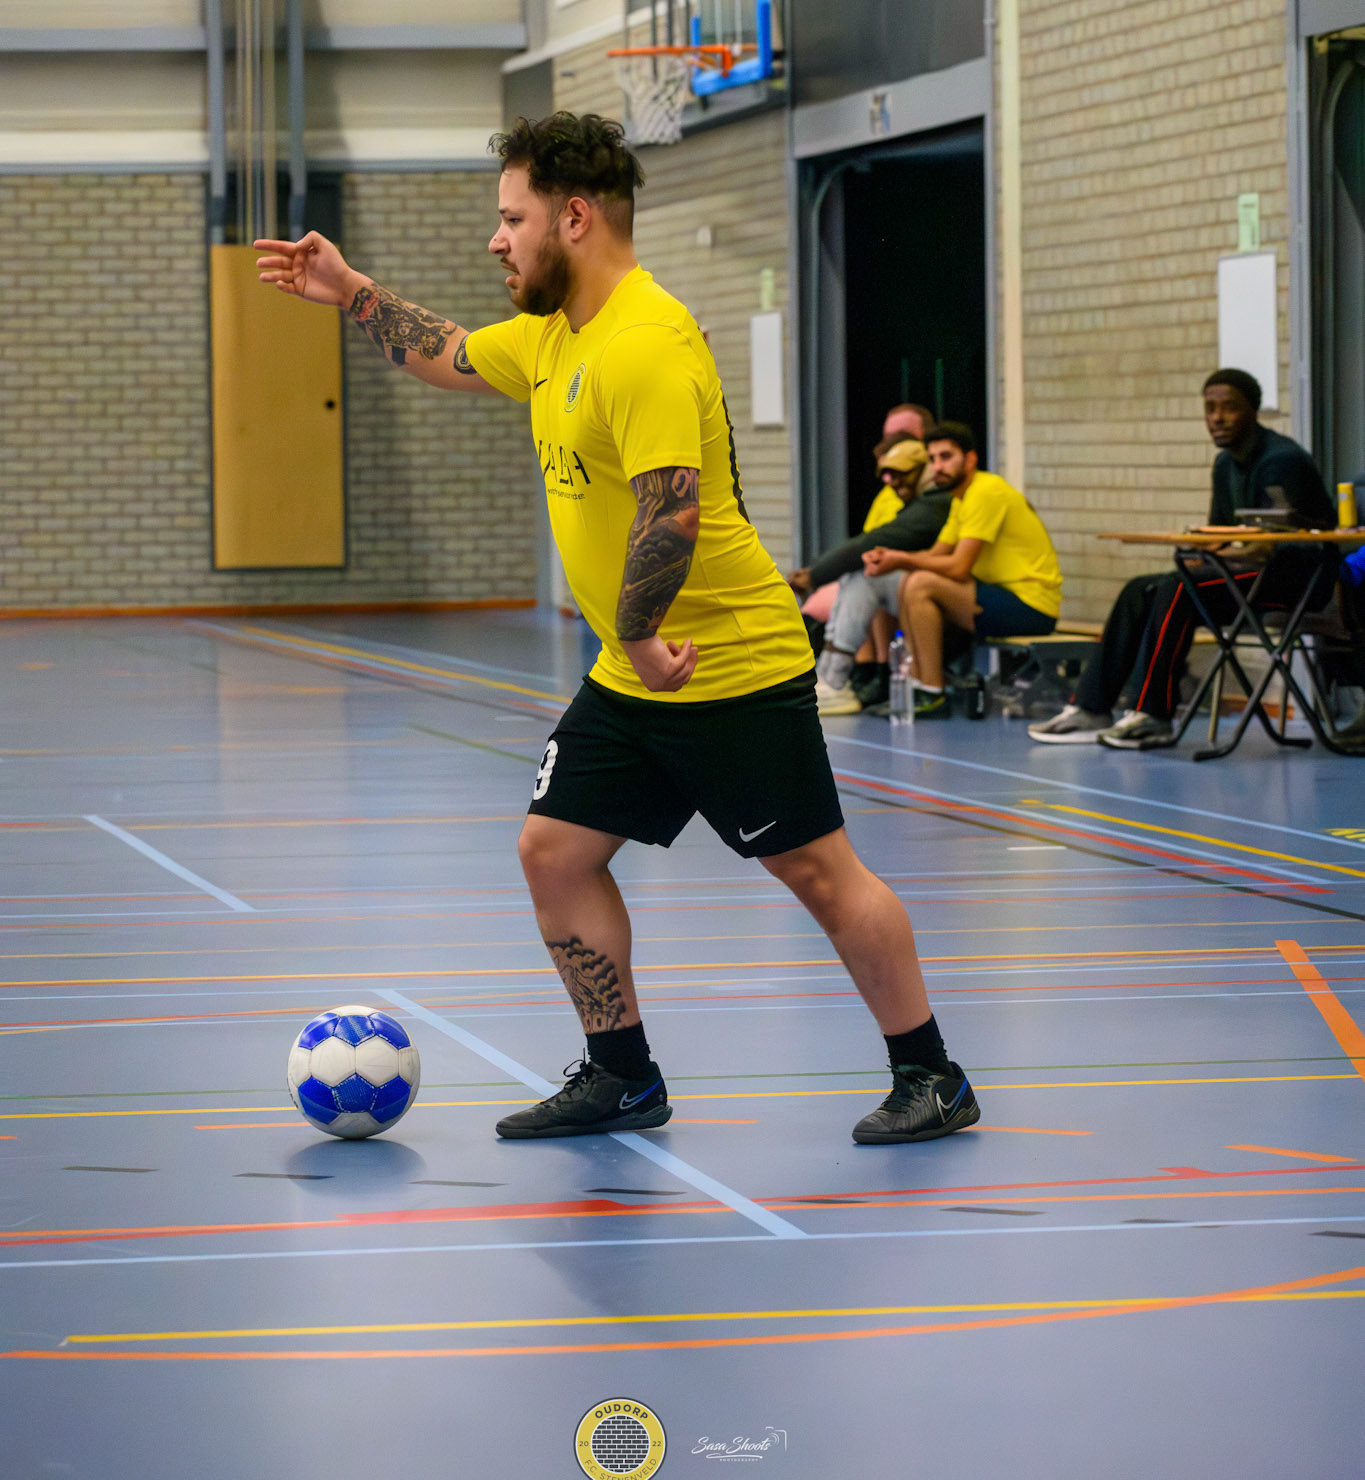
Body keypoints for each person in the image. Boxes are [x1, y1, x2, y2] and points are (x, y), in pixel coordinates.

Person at [254, 111, 979, 1147]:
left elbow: (669, 511)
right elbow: (449, 352)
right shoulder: (555, 335)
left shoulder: (644, 344)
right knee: (553, 850)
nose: (496, 239)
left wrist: (637, 633)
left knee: (819, 873)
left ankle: (931, 1074)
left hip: (728, 665)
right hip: (635, 669)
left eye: (512, 218)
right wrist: (351, 288)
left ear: (575, 217)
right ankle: (622, 1075)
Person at [1030, 369, 1338, 749]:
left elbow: (1267, 547)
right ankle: (1091, 708)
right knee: (1140, 590)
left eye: (1228, 408)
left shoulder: (1282, 460)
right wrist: (1202, 552)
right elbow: (1218, 536)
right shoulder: (1224, 465)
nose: (1217, 418)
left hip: (1298, 581)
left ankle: (1154, 714)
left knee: (1179, 587)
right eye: (1210, 409)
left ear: (1253, 411)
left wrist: (1215, 555)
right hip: (1247, 578)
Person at [862, 423, 1062, 720]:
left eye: (946, 457)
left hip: (1031, 605)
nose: (937, 467)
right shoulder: (960, 499)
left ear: (970, 459)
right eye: (932, 459)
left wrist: (901, 558)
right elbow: (934, 555)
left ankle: (932, 692)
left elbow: (958, 567)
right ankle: (917, 686)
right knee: (910, 580)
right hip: (998, 596)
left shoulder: (986, 491)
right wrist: (891, 557)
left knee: (921, 584)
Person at [796, 440, 953, 714]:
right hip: (928, 588)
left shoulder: (937, 502)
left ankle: (836, 680)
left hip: (950, 594)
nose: (894, 482)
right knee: (862, 573)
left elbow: (875, 541)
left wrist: (815, 574)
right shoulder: (917, 503)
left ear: (924, 470)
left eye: (902, 473)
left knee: (867, 576)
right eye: (889, 475)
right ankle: (830, 675)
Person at [799, 404, 937, 636]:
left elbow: (879, 542)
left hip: (921, 585)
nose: (893, 445)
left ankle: (853, 657)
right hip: (889, 582)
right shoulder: (888, 493)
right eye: (889, 437)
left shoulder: (935, 496)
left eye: (903, 437)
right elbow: (869, 543)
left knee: (868, 581)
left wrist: (817, 574)